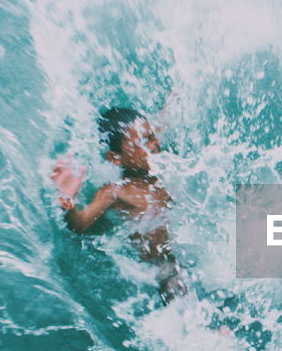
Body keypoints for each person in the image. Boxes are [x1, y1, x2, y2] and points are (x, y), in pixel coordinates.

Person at [51, 107, 186, 301]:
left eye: (151, 137)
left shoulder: (160, 167)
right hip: (163, 269)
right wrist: (67, 200)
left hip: (185, 254)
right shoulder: (116, 192)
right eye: (141, 143)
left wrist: (171, 105)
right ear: (115, 158)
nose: (153, 146)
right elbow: (79, 224)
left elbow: (161, 125)